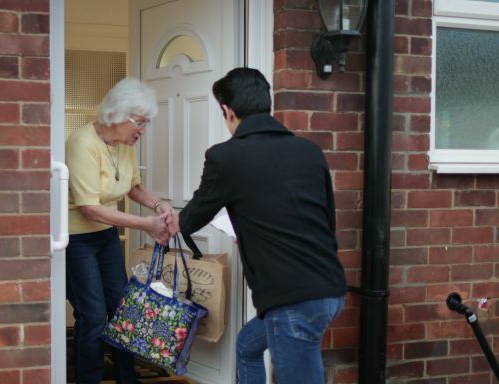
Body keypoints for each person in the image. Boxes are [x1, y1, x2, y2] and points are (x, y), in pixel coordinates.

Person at [174, 67, 347, 384]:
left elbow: (190, 220)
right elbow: (326, 220)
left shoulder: (226, 157)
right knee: (248, 346)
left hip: (292, 300)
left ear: (228, 111)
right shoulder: (310, 152)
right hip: (331, 289)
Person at [65, 77, 176, 384]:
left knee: (123, 310)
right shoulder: (81, 142)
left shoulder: (124, 144)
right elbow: (89, 208)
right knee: (93, 315)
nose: (142, 130)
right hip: (78, 241)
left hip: (105, 237)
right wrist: (146, 225)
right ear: (116, 114)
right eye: (139, 122)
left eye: (146, 123)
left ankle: (129, 379)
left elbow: (132, 186)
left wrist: (158, 206)